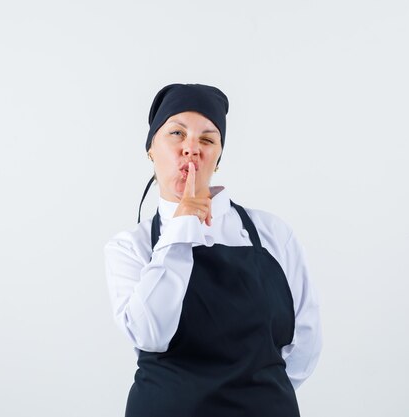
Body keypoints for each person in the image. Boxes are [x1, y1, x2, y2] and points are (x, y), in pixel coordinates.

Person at [103, 83, 322, 417]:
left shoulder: (273, 234)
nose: (191, 149)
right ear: (151, 148)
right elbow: (150, 334)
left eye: (207, 139)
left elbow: (305, 344)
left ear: (218, 157)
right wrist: (182, 225)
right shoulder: (130, 247)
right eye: (176, 133)